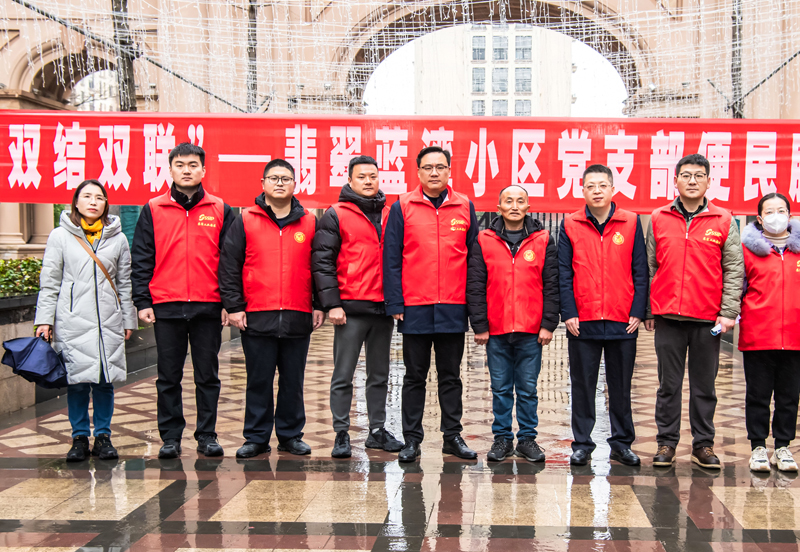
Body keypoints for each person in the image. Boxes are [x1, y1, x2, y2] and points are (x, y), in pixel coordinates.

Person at [131, 142, 235, 459]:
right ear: (170, 169)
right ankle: (171, 437)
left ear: (203, 170)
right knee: (168, 377)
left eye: (193, 165)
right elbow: (142, 258)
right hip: (167, 305)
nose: (186, 170)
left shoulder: (221, 209)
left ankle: (207, 435)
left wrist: (229, 303)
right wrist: (143, 301)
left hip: (208, 306)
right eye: (180, 165)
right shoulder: (153, 209)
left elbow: (231, 261)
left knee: (207, 376)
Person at [220, 158, 325, 458]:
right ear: (263, 183)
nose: (280, 183)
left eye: (285, 178)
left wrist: (319, 304)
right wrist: (234, 306)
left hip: (297, 313)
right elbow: (229, 266)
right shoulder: (245, 219)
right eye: (274, 178)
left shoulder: (309, 222)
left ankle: (291, 435)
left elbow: (320, 267)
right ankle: (256, 437)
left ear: (295, 184)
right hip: (257, 314)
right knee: (259, 380)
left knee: (293, 380)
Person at [645, 153, 743, 469]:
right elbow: (649, 267)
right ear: (675, 180)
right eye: (686, 175)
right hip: (668, 318)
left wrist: (728, 312)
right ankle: (666, 443)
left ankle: (703, 445)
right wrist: (649, 310)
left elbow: (734, 268)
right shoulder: (659, 217)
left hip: (707, 319)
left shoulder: (724, 220)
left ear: (708, 181)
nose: (692, 181)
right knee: (668, 386)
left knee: (704, 387)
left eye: (699, 176)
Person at [383, 145, 480, 463]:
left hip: (453, 305)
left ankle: (452, 436)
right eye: (428, 167)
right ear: (418, 172)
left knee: (451, 376)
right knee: (414, 376)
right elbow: (391, 256)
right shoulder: (402, 206)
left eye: (440, 167)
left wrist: (472, 306)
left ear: (450, 171)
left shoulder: (464, 206)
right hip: (415, 306)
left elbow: (474, 259)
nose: (434, 172)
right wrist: (395, 301)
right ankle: (412, 439)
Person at [35, 180, 137, 461]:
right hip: (72, 320)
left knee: (104, 381)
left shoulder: (118, 238)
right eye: (87, 196)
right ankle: (79, 437)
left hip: (108, 321)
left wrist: (128, 319)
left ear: (106, 204)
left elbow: (124, 282)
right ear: (76, 202)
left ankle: (103, 436)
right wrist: (44, 320)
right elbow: (50, 281)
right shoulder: (60, 236)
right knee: (77, 381)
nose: (93, 202)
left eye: (99, 197)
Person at [312, 155, 403, 458]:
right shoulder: (336, 214)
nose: (368, 181)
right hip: (349, 310)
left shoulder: (391, 213)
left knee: (379, 375)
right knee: (343, 374)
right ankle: (341, 433)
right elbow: (323, 262)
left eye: (373, 176)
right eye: (361, 176)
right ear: (349, 180)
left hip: (382, 310)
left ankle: (377, 431)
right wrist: (332, 304)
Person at [558, 164, 648, 467]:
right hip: (583, 321)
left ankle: (621, 444)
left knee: (620, 387)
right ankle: (582, 444)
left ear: (612, 189)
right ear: (582, 190)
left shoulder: (631, 222)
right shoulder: (570, 224)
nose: (597, 191)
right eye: (590, 186)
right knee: (582, 385)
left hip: (623, 320)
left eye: (602, 185)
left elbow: (640, 269)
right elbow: (563, 272)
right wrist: (569, 312)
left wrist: (637, 311)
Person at [467, 185, 559, 462]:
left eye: (520, 201)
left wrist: (548, 324)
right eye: (509, 201)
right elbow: (476, 285)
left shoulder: (543, 240)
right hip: (496, 330)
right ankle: (503, 439)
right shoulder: (484, 239)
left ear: (528, 207)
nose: (515, 206)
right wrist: (480, 325)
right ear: (499, 208)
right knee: (501, 388)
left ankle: (527, 439)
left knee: (528, 389)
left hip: (531, 331)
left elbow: (552, 286)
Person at [739, 193, 800, 472]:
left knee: (789, 396)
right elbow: (737, 289)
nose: (776, 216)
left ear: (790, 215)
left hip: (795, 336)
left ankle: (783, 447)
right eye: (770, 212)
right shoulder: (748, 251)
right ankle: (758, 447)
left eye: (781, 210)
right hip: (758, 335)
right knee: (758, 395)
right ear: (760, 218)